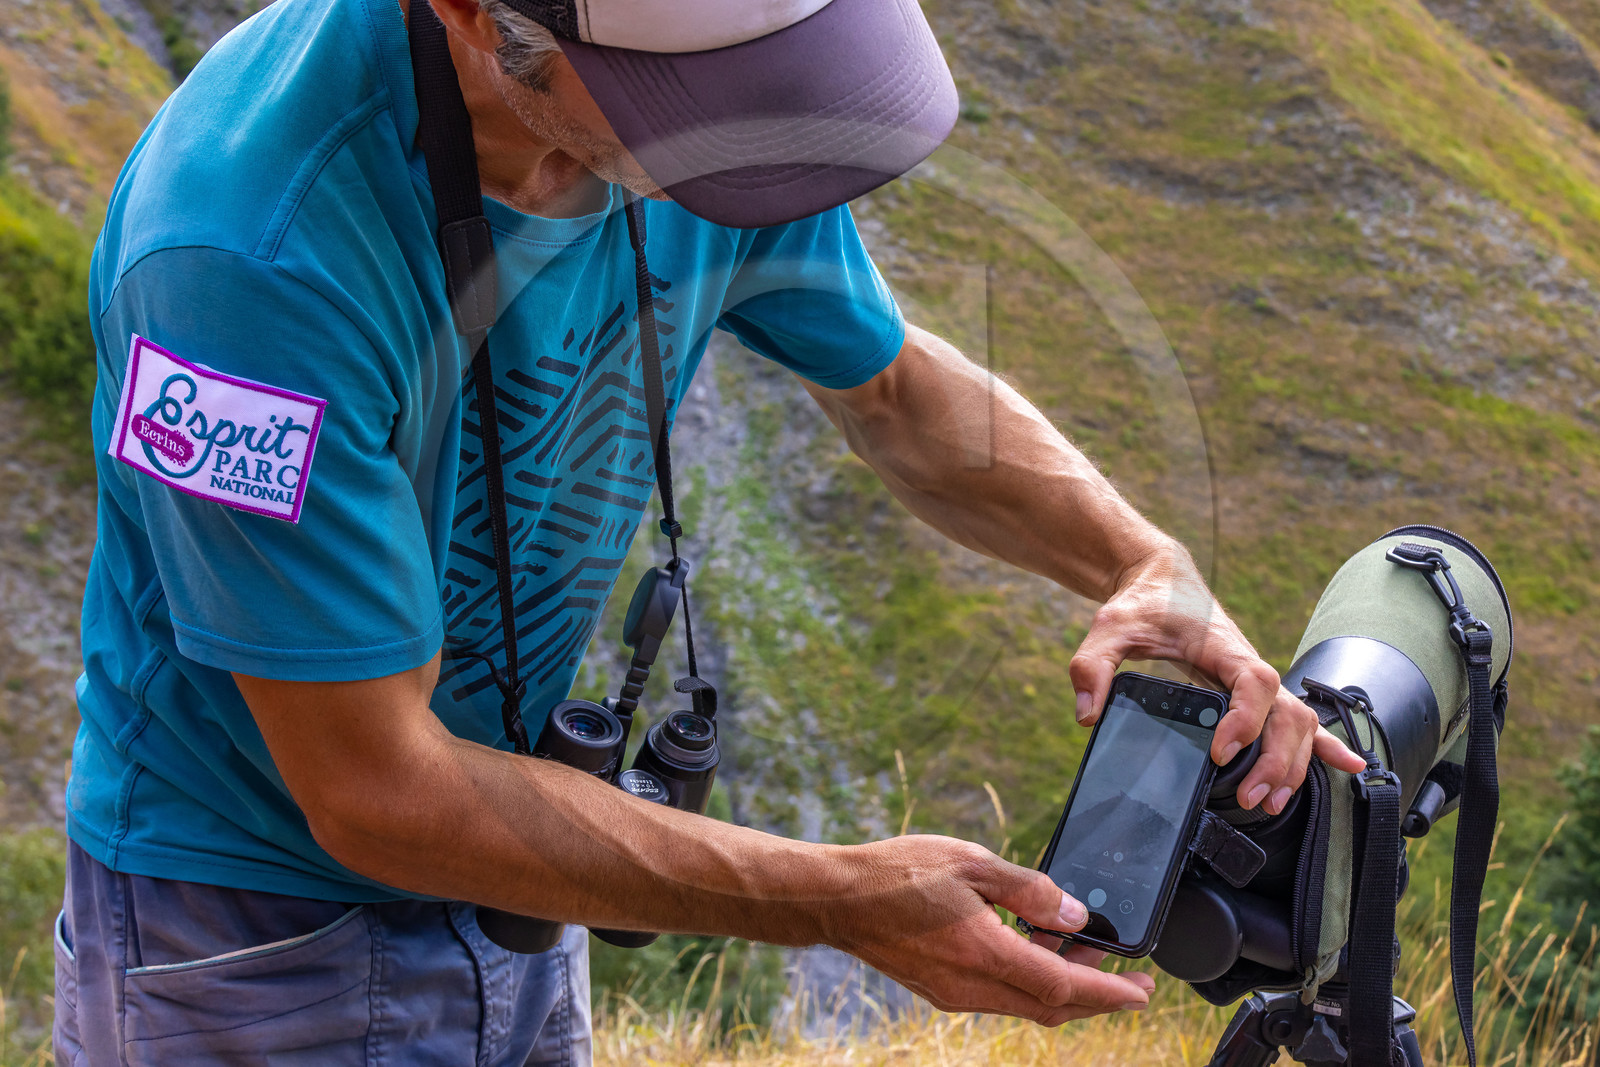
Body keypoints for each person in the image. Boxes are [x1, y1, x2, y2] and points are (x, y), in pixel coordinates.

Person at [57, 0, 1367, 1060]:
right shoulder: (247, 256)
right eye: (692, 113)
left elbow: (898, 392)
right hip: (247, 938)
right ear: (472, 16)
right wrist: (837, 901)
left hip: (531, 875)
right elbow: (375, 790)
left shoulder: (694, 109)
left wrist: (1144, 562)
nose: (741, 145)